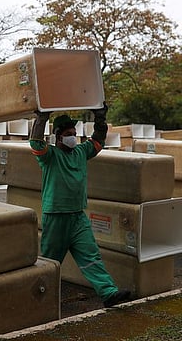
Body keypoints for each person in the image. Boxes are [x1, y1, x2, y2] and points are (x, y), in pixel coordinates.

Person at [29, 103, 131, 308]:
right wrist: (42, 119)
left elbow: (98, 140)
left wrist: (100, 119)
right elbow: (35, 143)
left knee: (91, 255)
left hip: (77, 217)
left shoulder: (81, 152)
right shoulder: (50, 156)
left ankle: (108, 292)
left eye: (74, 133)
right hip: (56, 216)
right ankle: (37, 302)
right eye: (68, 133)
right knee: (50, 263)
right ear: (58, 137)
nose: (73, 137)